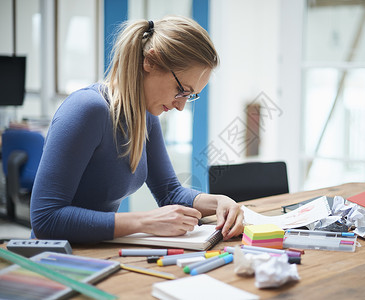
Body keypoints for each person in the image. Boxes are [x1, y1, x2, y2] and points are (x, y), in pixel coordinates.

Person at [30, 16, 244, 243]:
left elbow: (170, 193)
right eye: (181, 90)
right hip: (54, 259)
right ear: (150, 61)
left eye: (190, 97)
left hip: (96, 251)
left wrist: (220, 202)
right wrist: (144, 222)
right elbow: (45, 218)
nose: (181, 106)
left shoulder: (145, 116)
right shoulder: (88, 109)